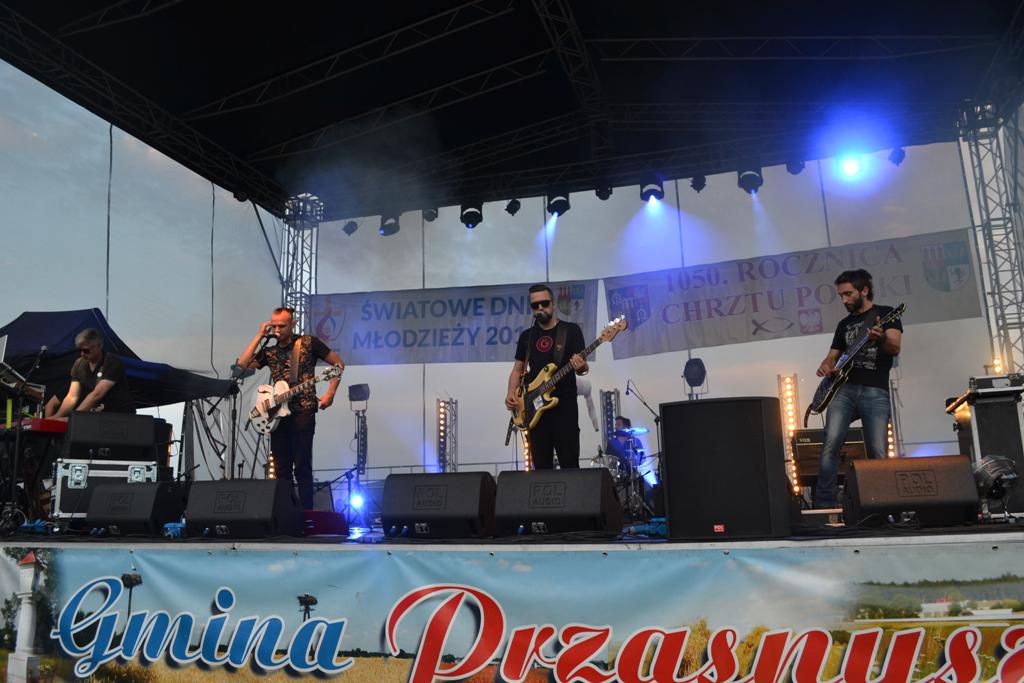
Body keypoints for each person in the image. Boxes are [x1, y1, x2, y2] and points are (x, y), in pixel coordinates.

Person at [239, 307, 345, 510]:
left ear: (293, 324)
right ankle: (286, 512)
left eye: (282, 326)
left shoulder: (309, 343)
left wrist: (330, 393)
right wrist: (259, 335)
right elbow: (242, 365)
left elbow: (338, 364)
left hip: (303, 410)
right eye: (274, 326)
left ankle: (305, 514)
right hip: (277, 414)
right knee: (281, 470)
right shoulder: (269, 351)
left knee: (302, 466)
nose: (277, 330)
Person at [814, 269, 903, 508]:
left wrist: (881, 338)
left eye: (848, 294)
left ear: (864, 290)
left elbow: (895, 348)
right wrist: (826, 365)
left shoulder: (887, 313)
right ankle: (824, 505)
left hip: (875, 391)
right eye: (841, 295)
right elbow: (832, 356)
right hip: (844, 390)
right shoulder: (844, 324)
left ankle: (882, 504)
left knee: (878, 450)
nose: (844, 300)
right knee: (830, 444)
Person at [505, 284, 588, 469]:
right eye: (535, 305)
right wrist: (511, 393)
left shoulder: (571, 330)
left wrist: (581, 366)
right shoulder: (527, 336)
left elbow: (582, 368)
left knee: (569, 464)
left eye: (544, 303)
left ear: (554, 304)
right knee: (541, 469)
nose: (540, 308)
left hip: (564, 408)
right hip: (534, 410)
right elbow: (518, 370)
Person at [54, 329, 136, 416]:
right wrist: (56, 417)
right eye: (79, 350)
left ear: (99, 346)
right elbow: (72, 396)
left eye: (86, 350)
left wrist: (75, 417)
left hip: (119, 415)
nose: (82, 354)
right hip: (98, 415)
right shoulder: (79, 364)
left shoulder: (112, 362)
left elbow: (97, 394)